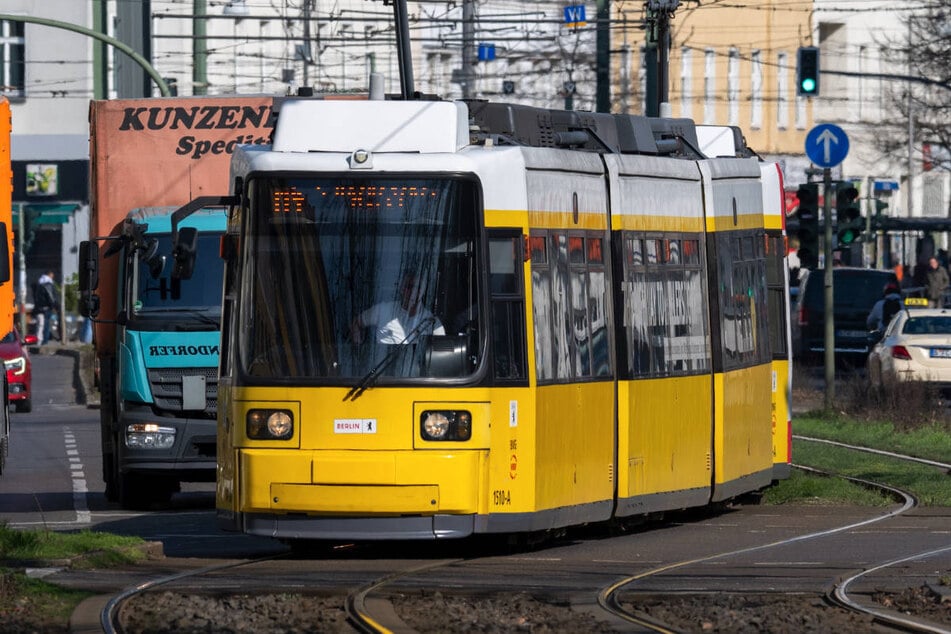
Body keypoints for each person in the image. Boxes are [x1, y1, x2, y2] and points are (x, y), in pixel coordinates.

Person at [351, 273, 445, 345]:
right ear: (402, 289)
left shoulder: (433, 323)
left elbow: (440, 353)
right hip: (380, 368)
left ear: (423, 291)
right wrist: (358, 347)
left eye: (418, 287)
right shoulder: (382, 310)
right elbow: (356, 323)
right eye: (409, 286)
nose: (413, 291)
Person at [32, 270, 59, 345]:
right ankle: (45, 341)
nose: (53, 277)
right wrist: (55, 306)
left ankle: (39, 340)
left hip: (39, 308)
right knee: (46, 325)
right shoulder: (49, 284)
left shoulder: (39, 283)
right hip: (47, 308)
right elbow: (51, 298)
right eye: (52, 276)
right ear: (50, 275)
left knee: (40, 325)